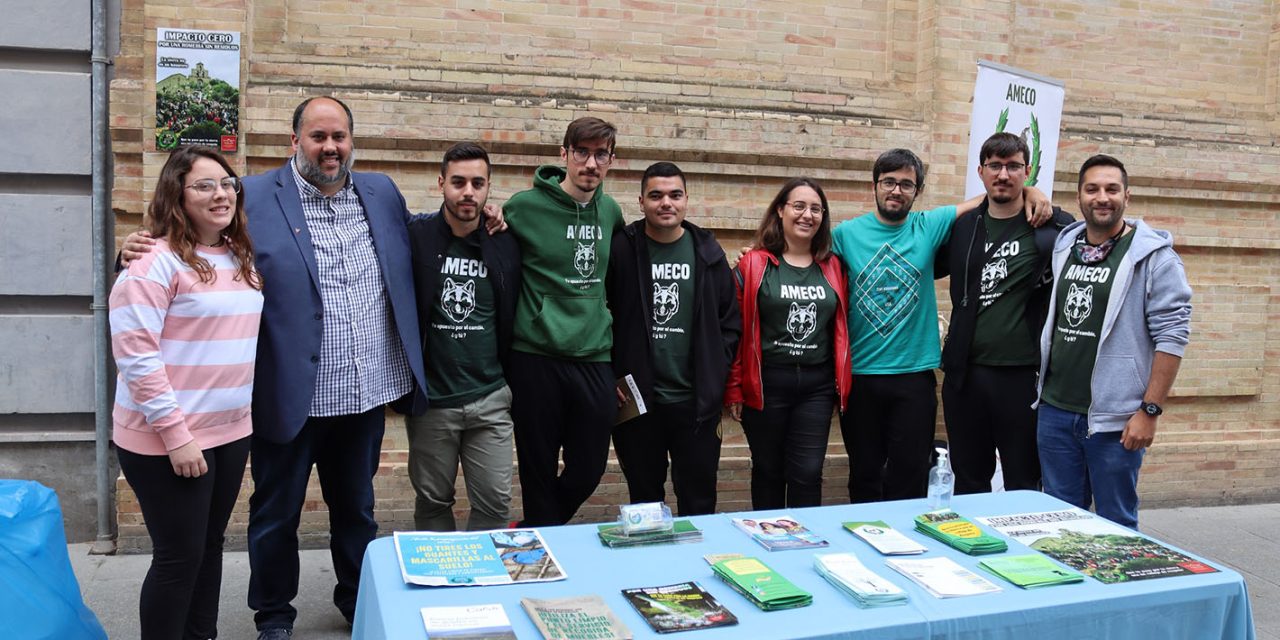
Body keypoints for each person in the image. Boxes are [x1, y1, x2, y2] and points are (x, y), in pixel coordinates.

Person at [122, 96, 430, 638]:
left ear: (351, 141)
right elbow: (189, 231)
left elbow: (420, 236)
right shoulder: (251, 195)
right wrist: (136, 245)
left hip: (364, 391)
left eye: (340, 137)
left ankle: (357, 603)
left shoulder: (380, 191)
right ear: (295, 142)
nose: (330, 147)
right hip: (288, 393)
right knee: (275, 515)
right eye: (318, 137)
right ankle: (273, 615)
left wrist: (479, 218)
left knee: (357, 510)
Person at [832, 148, 1051, 503]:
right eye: (889, 182)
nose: (896, 190)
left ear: (916, 192)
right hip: (861, 376)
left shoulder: (928, 225)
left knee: (910, 474)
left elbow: (989, 197)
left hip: (915, 376)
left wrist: (1032, 192)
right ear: (874, 186)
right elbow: (800, 252)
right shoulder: (846, 235)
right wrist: (754, 253)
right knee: (864, 474)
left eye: (906, 184)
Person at [109, 145, 263, 640]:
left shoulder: (238, 253)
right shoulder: (153, 262)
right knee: (178, 558)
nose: (220, 194)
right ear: (177, 194)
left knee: (210, 547)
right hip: (168, 439)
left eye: (226, 184)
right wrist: (177, 436)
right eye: (204, 185)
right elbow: (136, 355)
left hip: (230, 431)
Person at [1034, 154, 1192, 529]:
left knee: (1116, 526)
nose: (1101, 197)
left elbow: (1173, 336)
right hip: (1055, 411)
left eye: (1111, 189)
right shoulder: (1066, 245)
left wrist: (1149, 411)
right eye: (1092, 189)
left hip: (1115, 421)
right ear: (1079, 197)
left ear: (1127, 196)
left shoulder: (1154, 258)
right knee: (1060, 525)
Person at [502, 117, 626, 526]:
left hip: (593, 355)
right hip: (535, 355)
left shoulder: (610, 212)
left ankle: (539, 530)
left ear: (611, 160)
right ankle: (542, 552)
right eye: (582, 152)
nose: (591, 163)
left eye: (601, 155)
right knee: (536, 467)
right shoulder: (523, 207)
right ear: (564, 155)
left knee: (588, 468)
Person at [939, 132, 1074, 494]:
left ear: (1027, 172)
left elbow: (1093, 234)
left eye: (1013, 167)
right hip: (965, 377)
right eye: (995, 166)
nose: (1003, 175)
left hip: (1022, 377)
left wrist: (1038, 197)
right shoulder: (962, 227)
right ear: (981, 172)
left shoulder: (1052, 227)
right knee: (968, 478)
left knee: (1024, 479)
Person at [607, 161, 741, 515]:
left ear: (686, 200)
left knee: (698, 500)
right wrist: (608, 373)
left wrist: (716, 372)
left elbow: (730, 321)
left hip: (695, 403)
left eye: (674, 195)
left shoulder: (708, 254)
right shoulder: (622, 249)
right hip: (638, 403)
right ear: (641, 202)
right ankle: (653, 569)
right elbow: (598, 313)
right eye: (656, 195)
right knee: (645, 500)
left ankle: (695, 568)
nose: (665, 202)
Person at [404, 142, 521, 531]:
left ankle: (482, 582)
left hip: (490, 397)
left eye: (477, 183)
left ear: (489, 188)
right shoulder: (416, 236)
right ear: (441, 183)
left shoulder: (504, 240)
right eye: (458, 182)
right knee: (433, 501)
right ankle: (440, 588)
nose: (467, 192)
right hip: (433, 403)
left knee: (495, 502)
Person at [726, 177, 850, 509]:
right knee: (768, 469)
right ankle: (767, 539)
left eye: (816, 209)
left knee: (807, 472)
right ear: (780, 210)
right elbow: (736, 331)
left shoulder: (834, 266)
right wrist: (735, 387)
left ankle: (804, 545)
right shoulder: (752, 264)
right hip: (767, 385)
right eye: (798, 206)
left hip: (816, 387)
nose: (807, 215)